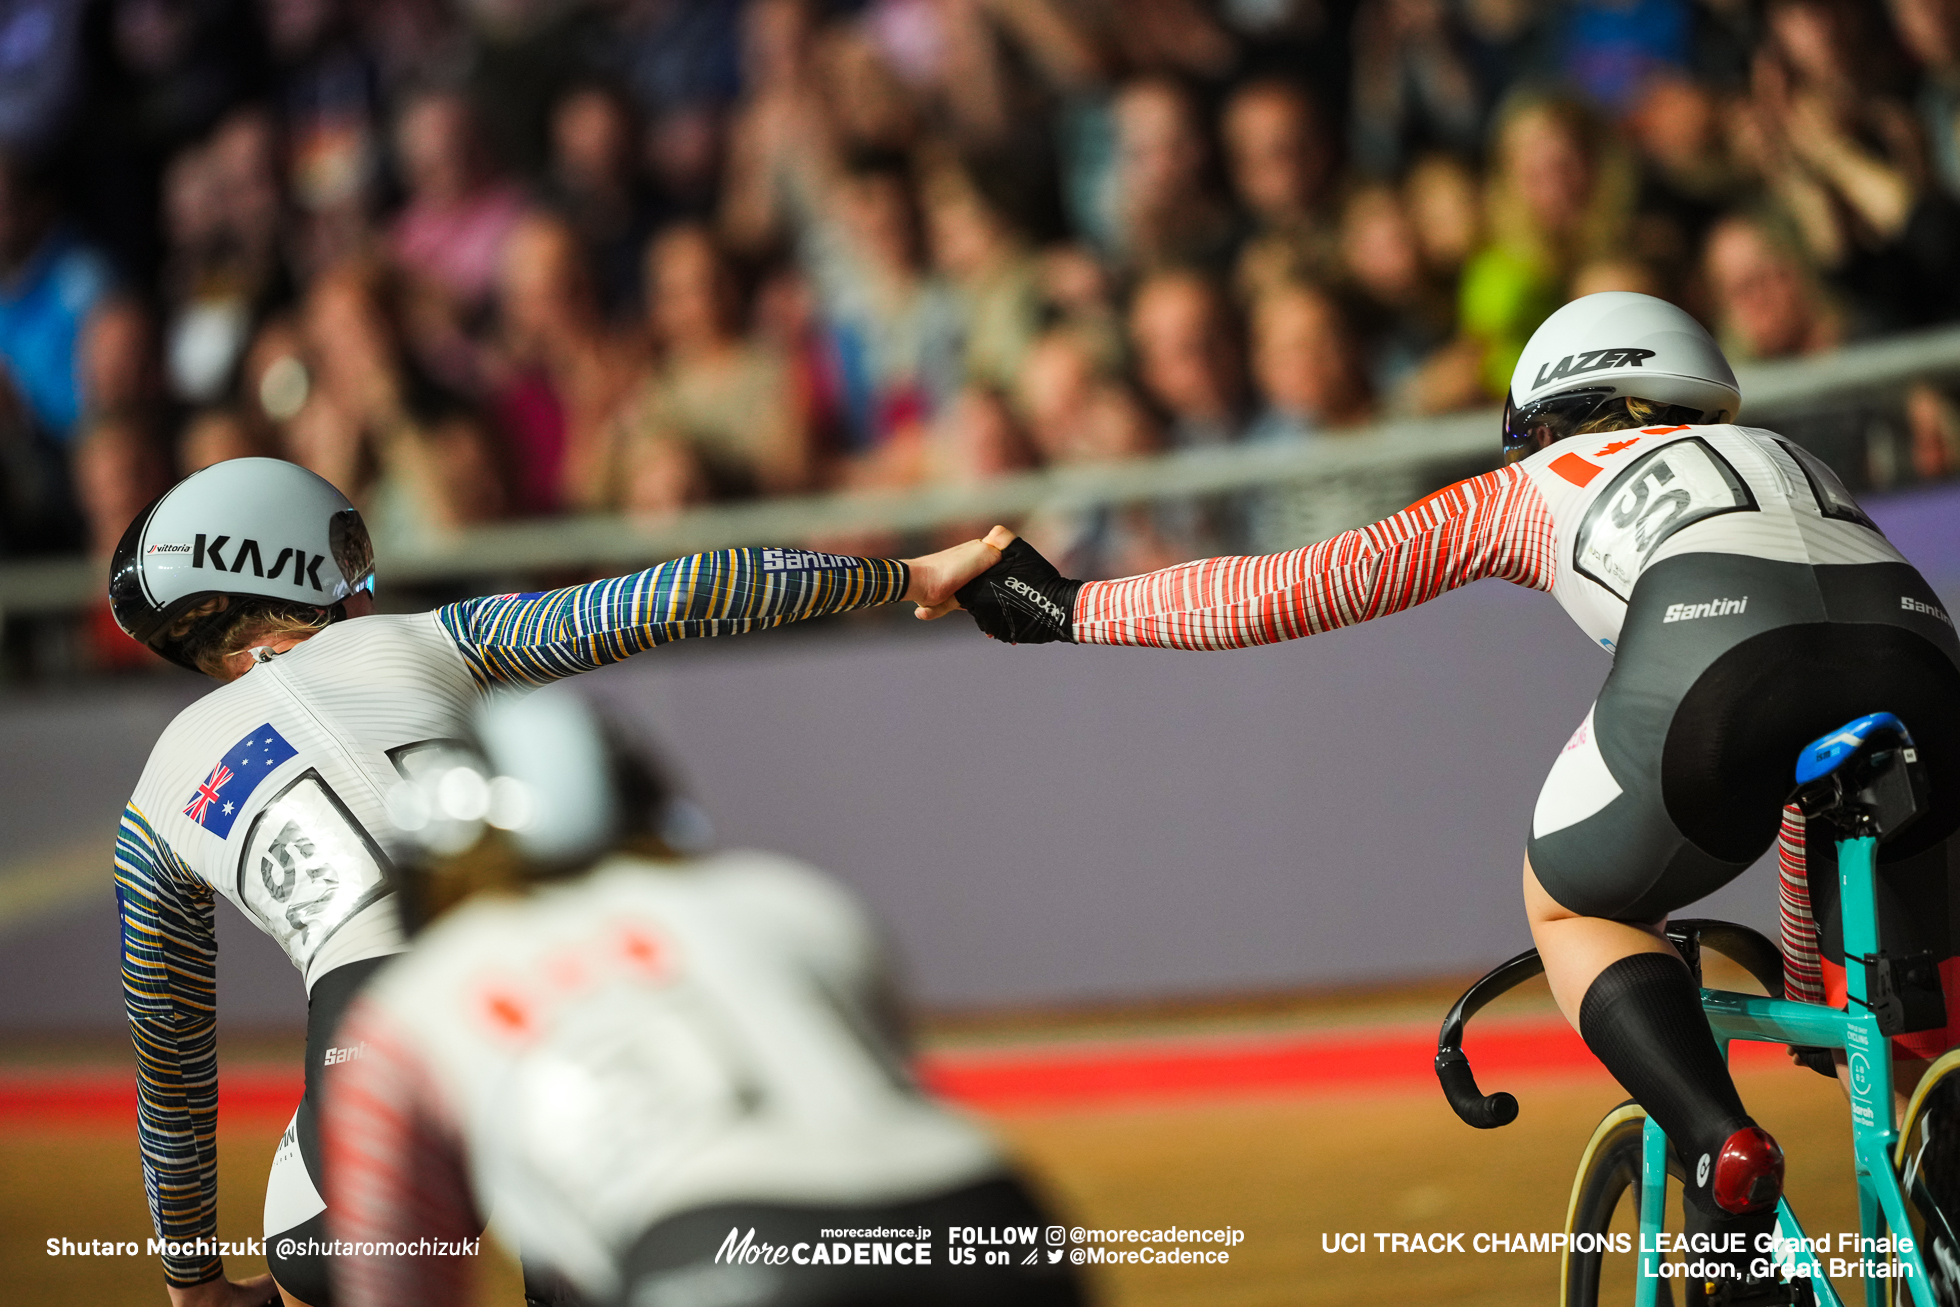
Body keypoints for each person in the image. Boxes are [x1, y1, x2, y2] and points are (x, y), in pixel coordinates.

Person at [943, 291, 1960, 1291]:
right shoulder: (1794, 460)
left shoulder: (1533, 484)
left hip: (1717, 669)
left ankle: (1715, 1143)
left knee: (1572, 901)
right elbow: (1816, 743)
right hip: (1926, 672)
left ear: (1560, 416)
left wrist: (1068, 605)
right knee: (1913, 1042)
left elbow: (1284, 590)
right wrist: (1807, 971)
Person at [107, 456, 1006, 1307]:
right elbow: (685, 592)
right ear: (286, 560)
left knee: (316, 1261)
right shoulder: (427, 636)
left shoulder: (154, 799)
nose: (365, 584)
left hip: (377, 1022)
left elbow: (170, 1051)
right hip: (573, 948)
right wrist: (906, 577)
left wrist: (192, 1274)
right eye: (348, 559)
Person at [323, 686, 1085, 1307]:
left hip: (715, 1248)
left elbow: (391, 1273)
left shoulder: (417, 998)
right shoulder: (787, 896)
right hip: (988, 1212)